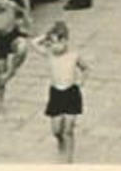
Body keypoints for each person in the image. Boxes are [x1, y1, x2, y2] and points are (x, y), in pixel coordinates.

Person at [32, 21, 88, 163]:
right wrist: (47, 35)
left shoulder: (74, 55)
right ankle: (60, 140)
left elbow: (85, 68)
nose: (54, 47)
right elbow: (34, 43)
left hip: (71, 93)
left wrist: (82, 81)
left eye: (56, 43)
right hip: (56, 93)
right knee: (57, 130)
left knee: (68, 129)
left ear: (65, 41)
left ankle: (69, 159)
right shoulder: (50, 54)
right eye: (51, 44)